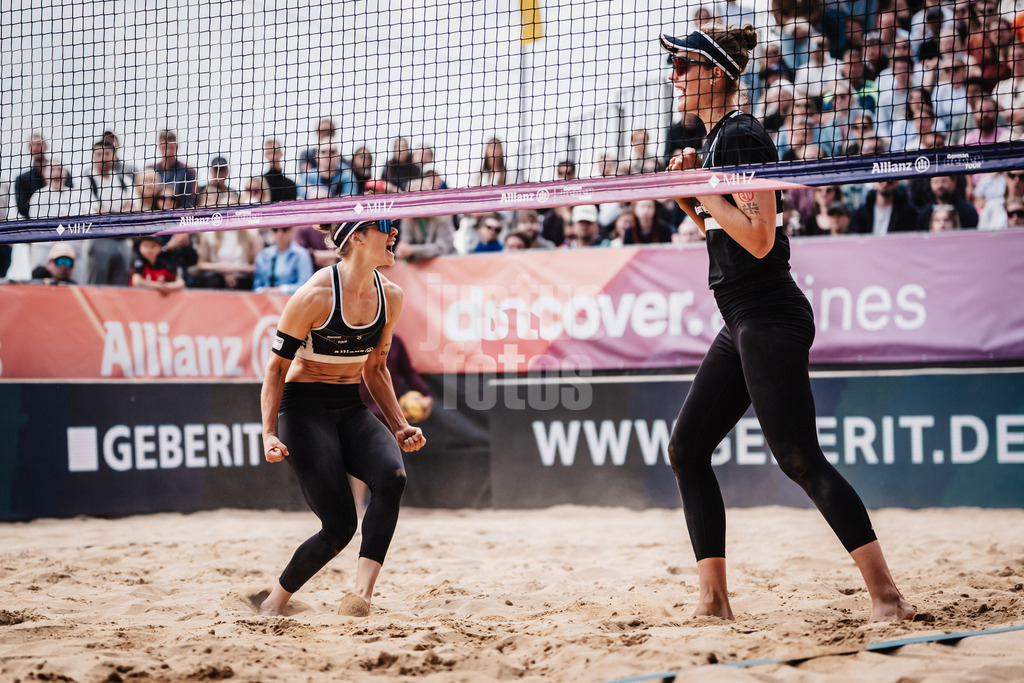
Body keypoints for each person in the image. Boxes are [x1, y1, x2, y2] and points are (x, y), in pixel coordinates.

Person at [660, 23, 914, 623]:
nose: (674, 77)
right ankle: (715, 601)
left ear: (717, 74)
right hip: (743, 315)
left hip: (770, 314)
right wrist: (690, 199)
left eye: (684, 67)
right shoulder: (720, 141)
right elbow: (724, 232)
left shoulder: (743, 138)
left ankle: (887, 597)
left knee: (799, 458)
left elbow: (760, 237)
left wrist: (703, 186)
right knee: (687, 448)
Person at [258, 218, 426, 617]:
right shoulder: (314, 295)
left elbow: (377, 369)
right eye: (386, 226)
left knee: (392, 476)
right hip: (303, 409)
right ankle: (273, 604)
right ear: (357, 237)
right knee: (338, 527)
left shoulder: (391, 296)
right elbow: (276, 370)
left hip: (349, 404)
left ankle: (360, 597)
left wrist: (400, 425)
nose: (395, 233)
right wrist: (267, 434)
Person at [252, 226, 314, 295]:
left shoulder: (301, 254)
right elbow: (256, 286)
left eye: (284, 229)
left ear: (291, 231)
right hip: (266, 301)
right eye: (275, 229)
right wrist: (262, 291)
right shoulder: (264, 254)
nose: (280, 233)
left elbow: (305, 286)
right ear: (271, 231)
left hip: (292, 301)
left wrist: (281, 290)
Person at [150, 129, 198, 208]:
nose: (168, 152)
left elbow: (189, 201)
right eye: (165, 147)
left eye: (171, 148)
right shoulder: (150, 170)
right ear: (159, 147)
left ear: (176, 147)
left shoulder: (188, 171)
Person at [261, 138, 299, 203]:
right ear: (265, 155)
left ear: (281, 153)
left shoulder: (290, 184)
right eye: (270, 153)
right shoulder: (261, 183)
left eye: (275, 152)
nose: (273, 156)